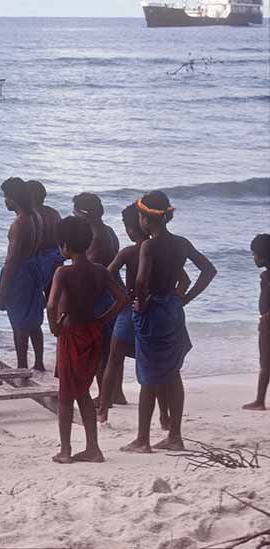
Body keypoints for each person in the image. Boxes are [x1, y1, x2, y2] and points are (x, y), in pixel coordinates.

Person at [121, 191, 216, 454]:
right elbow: (209, 270)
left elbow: (140, 281)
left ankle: (143, 439)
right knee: (172, 373)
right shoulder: (181, 243)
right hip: (173, 309)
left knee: (148, 376)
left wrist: (141, 302)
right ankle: (175, 435)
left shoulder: (150, 246)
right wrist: (184, 298)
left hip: (153, 312)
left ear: (145, 218)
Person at [46, 217, 128, 464]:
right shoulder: (100, 271)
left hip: (71, 334)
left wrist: (54, 327)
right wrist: (103, 319)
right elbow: (122, 299)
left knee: (65, 396)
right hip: (93, 332)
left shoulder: (64, 272)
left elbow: (51, 305)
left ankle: (66, 450)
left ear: (64, 246)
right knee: (82, 390)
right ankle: (93, 447)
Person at [97, 204, 185, 425]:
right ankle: (164, 416)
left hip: (131, 310)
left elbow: (106, 276)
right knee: (161, 367)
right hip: (159, 310)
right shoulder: (161, 250)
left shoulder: (129, 252)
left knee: (113, 359)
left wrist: (122, 295)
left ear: (131, 229)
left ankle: (103, 410)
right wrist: (176, 299)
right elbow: (184, 280)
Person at [72, 192, 120, 405]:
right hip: (114, 291)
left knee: (101, 351)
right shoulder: (107, 231)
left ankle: (105, 396)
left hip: (102, 295)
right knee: (110, 349)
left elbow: (89, 271)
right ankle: (115, 393)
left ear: (84, 214)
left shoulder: (96, 237)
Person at [0, 177, 46, 370]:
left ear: (13, 197)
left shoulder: (19, 222)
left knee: (18, 322)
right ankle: (39, 362)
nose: (5, 201)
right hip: (33, 268)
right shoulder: (36, 217)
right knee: (33, 319)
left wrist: (2, 287)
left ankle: (22, 365)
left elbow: (12, 258)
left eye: (6, 197)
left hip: (20, 273)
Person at [243, 233, 270, 411]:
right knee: (265, 361)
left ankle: (260, 401)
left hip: (268, 322)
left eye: (255, 254)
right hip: (266, 320)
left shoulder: (267, 277)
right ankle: (259, 400)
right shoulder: (265, 276)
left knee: (266, 361)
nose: (254, 258)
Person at [28, 180, 63, 299]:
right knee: (53, 298)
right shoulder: (54, 213)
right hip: (55, 259)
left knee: (33, 299)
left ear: (30, 196)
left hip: (39, 261)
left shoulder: (31, 216)